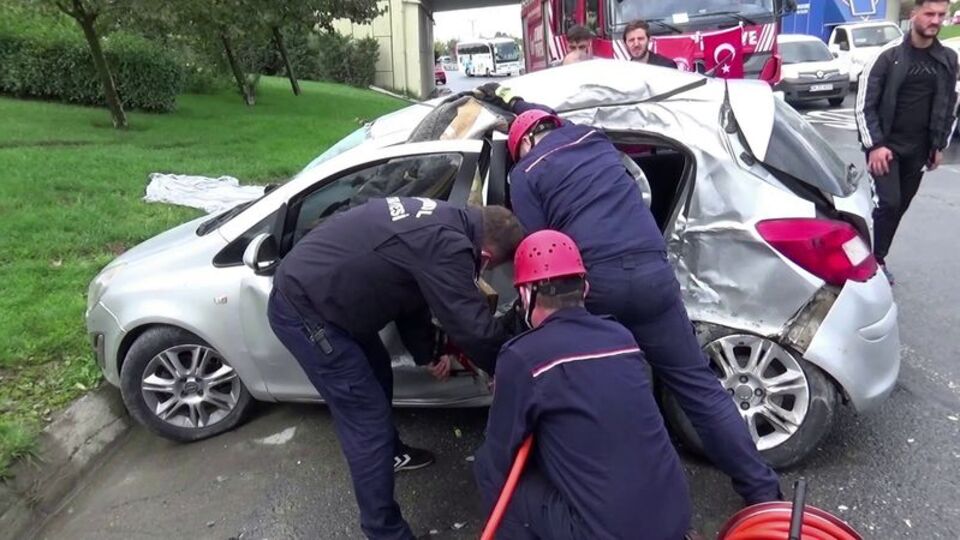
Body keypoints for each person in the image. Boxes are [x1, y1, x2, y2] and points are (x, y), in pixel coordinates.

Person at [468, 87, 782, 507]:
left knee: (589, 386)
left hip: (597, 285)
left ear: (523, 145)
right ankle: (763, 493)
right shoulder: (595, 138)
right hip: (653, 274)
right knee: (698, 388)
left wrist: (513, 334)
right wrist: (515, 103)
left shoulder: (525, 174)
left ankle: (611, 500)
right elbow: (541, 117)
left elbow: (542, 249)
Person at [268, 197, 524, 539]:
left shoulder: (447, 218)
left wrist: (428, 352)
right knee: (366, 419)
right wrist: (508, 371)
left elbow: (413, 293)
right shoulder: (447, 245)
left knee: (377, 372)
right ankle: (384, 530)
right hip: (307, 312)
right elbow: (474, 330)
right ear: (489, 256)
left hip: (330, 303)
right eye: (490, 267)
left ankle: (390, 455)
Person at [475, 230, 696, 539]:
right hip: (674, 518)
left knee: (488, 467)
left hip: (607, 534)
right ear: (586, 286)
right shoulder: (621, 337)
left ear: (525, 296)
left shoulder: (523, 356)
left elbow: (502, 451)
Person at [855, 0, 957, 284]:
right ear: (914, 15)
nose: (935, 20)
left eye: (941, 15)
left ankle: (878, 255)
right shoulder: (888, 56)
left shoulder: (947, 59)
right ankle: (871, 260)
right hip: (886, 148)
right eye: (929, 14)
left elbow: (949, 104)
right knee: (888, 202)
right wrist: (875, 145)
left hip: (920, 149)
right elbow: (864, 104)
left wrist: (939, 146)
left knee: (899, 206)